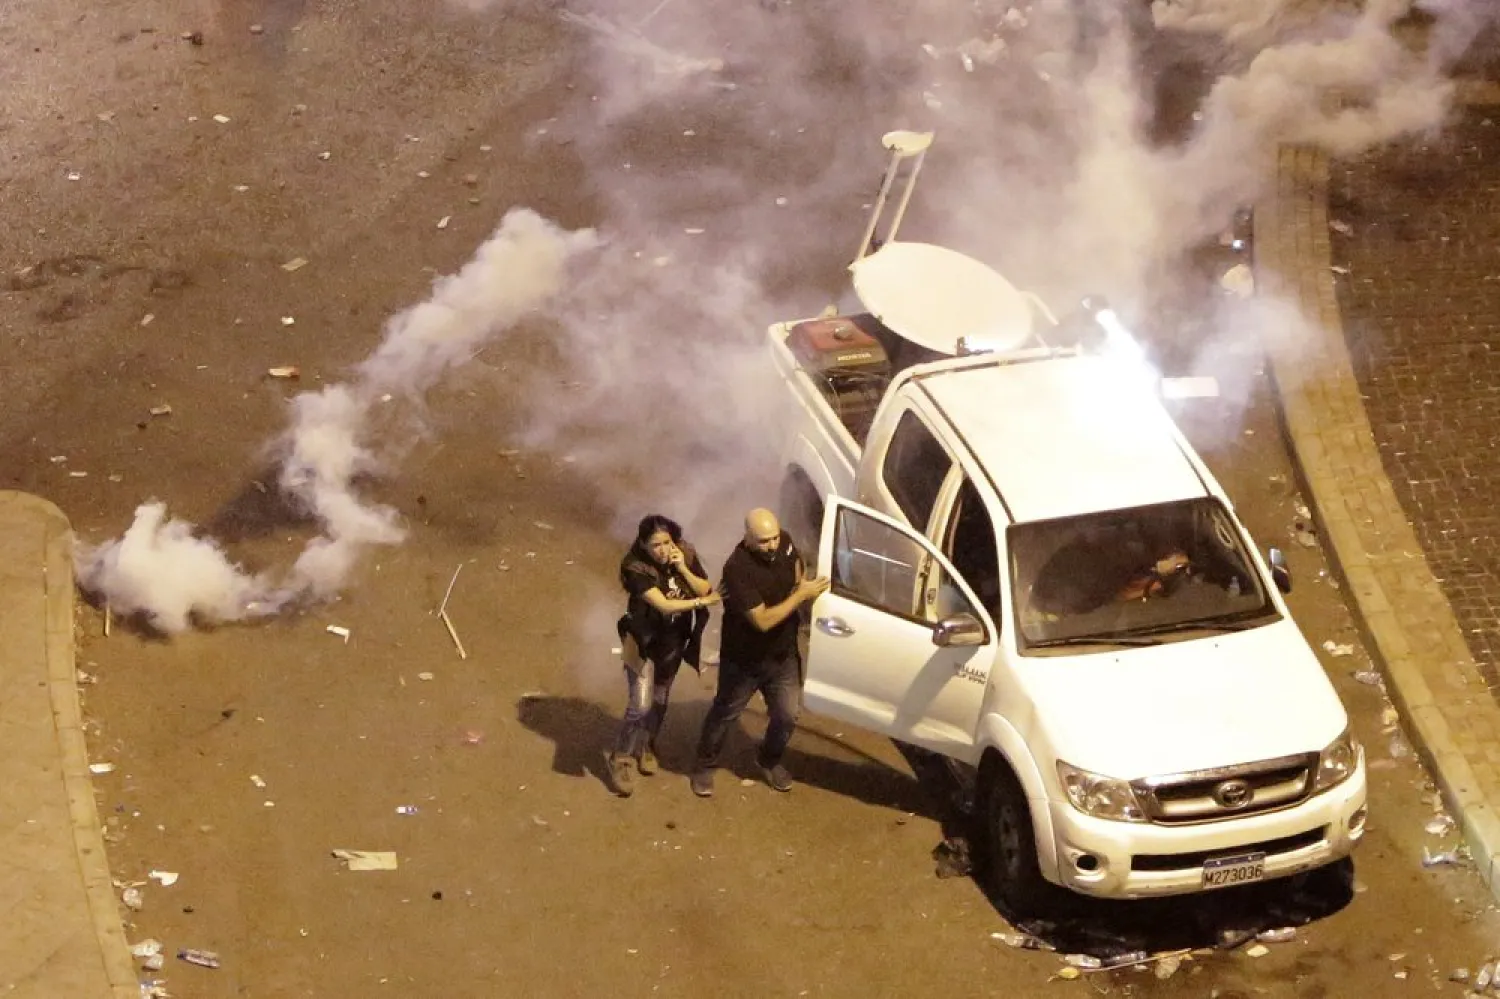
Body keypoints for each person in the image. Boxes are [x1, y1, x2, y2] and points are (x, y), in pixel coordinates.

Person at [689, 508, 829, 797]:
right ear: (748, 538)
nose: (772, 545)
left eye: (774, 537)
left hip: (783, 656)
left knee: (788, 715)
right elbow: (762, 620)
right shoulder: (738, 569)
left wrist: (800, 582)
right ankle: (704, 765)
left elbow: (796, 560)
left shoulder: (785, 542)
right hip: (744, 661)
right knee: (725, 713)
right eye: (764, 541)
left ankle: (768, 759)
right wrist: (800, 596)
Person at [607, 514, 720, 798]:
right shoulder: (634, 566)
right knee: (640, 704)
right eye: (656, 544)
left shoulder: (685, 553)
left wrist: (682, 567)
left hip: (672, 639)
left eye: (667, 542)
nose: (663, 549)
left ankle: (646, 744)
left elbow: (704, 586)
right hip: (641, 639)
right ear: (643, 545)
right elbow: (666, 605)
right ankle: (620, 757)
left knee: (660, 699)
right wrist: (700, 603)